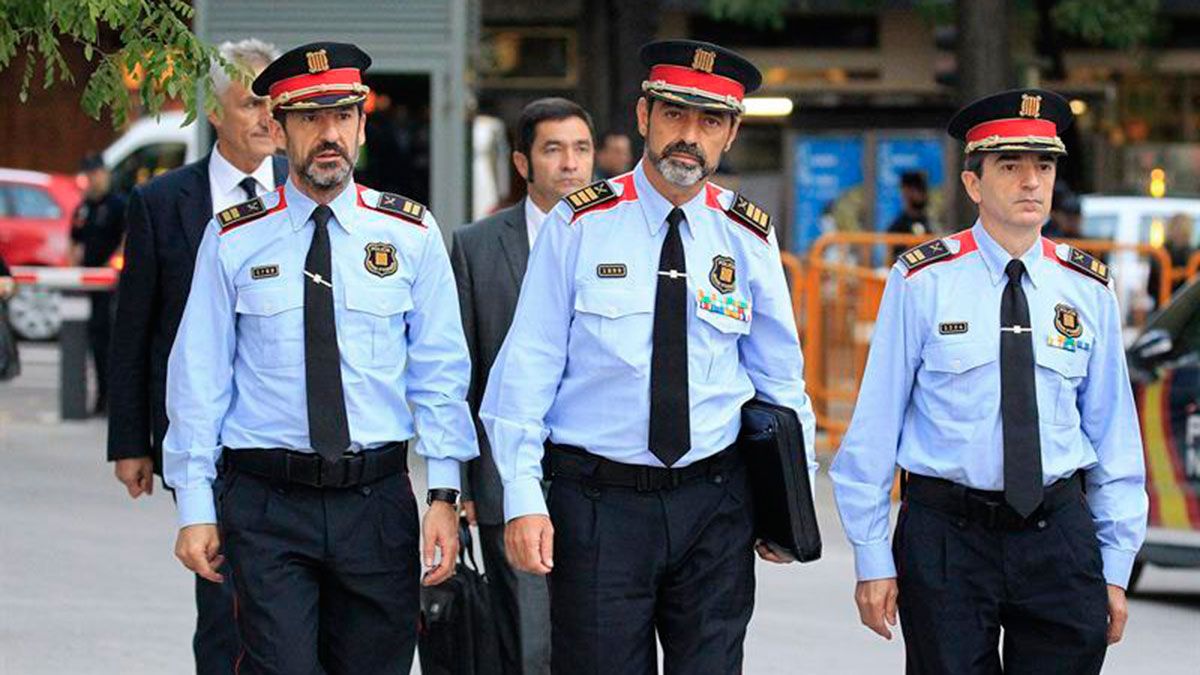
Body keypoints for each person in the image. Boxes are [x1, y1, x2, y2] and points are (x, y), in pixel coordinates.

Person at [479, 39, 816, 674]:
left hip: (715, 503)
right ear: (643, 117)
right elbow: (527, 368)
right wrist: (523, 495)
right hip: (599, 505)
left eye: (709, 121)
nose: (689, 136)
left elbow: (780, 378)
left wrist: (789, 501)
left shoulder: (748, 236)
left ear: (731, 133)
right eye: (675, 116)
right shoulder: (579, 225)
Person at [164, 41, 477, 674]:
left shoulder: (410, 236)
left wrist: (443, 493)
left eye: (340, 116)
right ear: (278, 130)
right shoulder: (233, 237)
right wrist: (195, 506)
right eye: (308, 118)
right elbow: (199, 377)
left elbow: (440, 376)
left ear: (362, 125)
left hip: (376, 502)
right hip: (266, 503)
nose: (326, 133)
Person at [831, 89, 1147, 674]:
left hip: (1058, 536)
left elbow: (1114, 439)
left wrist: (1116, 562)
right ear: (974, 184)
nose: (1032, 181)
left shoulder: (1088, 288)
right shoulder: (922, 280)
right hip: (948, 538)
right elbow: (875, 424)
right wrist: (872, 557)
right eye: (1011, 166)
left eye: (1044, 166)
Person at [105, 38, 286, 674]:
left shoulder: (310, 192)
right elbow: (135, 331)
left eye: (275, 103)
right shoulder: (162, 202)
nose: (269, 118)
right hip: (202, 436)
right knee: (224, 604)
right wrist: (131, 440)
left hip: (290, 433)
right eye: (251, 104)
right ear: (213, 110)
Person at [451, 96, 594, 675]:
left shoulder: (622, 236)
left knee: (596, 642)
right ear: (522, 161)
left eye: (581, 149)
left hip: (602, 482)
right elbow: (463, 371)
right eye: (553, 149)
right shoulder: (477, 246)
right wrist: (457, 487)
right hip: (507, 481)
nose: (570, 164)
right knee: (527, 646)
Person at [70, 153, 126, 415]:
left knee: (112, 343)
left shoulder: (118, 204)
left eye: (97, 174)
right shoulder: (84, 207)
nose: (94, 179)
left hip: (111, 286)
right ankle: (101, 397)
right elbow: (75, 239)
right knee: (95, 342)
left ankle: (112, 399)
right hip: (89, 285)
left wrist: (113, 262)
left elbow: (127, 238)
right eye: (89, 175)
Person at [1146, 213, 1194, 306]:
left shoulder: (1160, 254)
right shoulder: (1160, 254)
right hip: (1181, 308)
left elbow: (1150, 289)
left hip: (1163, 307)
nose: (1178, 233)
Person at [886, 170, 931, 259]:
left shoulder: (929, 223)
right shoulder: (897, 226)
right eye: (916, 190)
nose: (921, 195)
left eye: (922, 190)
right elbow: (891, 260)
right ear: (905, 192)